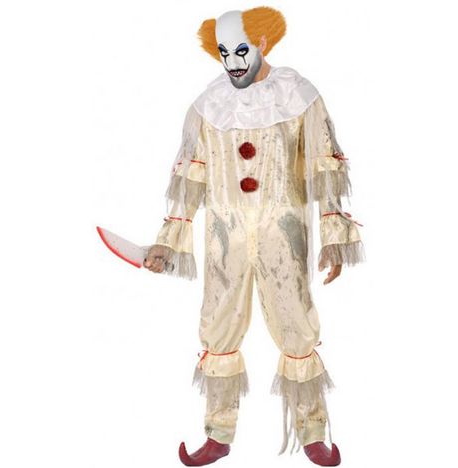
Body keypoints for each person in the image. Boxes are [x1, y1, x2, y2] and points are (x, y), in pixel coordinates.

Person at [143, 7, 364, 466]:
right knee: (217, 324)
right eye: (224, 53)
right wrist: (168, 241)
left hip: (283, 231)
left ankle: (312, 431)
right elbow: (190, 176)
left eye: (241, 50)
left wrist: (334, 237)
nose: (233, 63)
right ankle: (218, 432)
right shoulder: (208, 107)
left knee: (296, 323)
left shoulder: (299, 96)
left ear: (262, 43)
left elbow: (324, 164)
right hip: (225, 235)